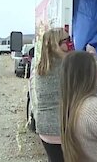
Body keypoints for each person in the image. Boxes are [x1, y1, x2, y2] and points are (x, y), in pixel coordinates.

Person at [34, 28, 74, 162]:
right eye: (67, 40)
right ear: (56, 44)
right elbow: (96, 74)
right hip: (62, 128)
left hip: (44, 128)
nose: (70, 43)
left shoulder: (40, 67)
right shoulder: (68, 64)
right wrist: (93, 55)